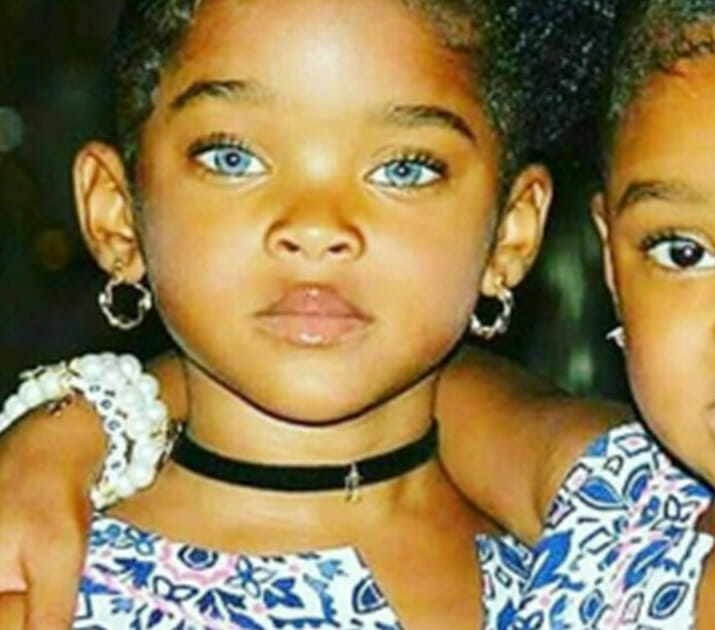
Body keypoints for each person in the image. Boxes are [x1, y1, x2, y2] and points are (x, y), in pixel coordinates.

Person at [0, 0, 715, 628]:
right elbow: (401, 366)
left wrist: (74, 419)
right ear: (614, 268)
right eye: (684, 250)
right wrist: (74, 423)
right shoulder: (621, 510)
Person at [0, 0, 618, 626]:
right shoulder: (39, 583)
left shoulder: (606, 561)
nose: (317, 227)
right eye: (233, 157)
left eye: (403, 169)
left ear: (511, 231)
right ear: (116, 212)